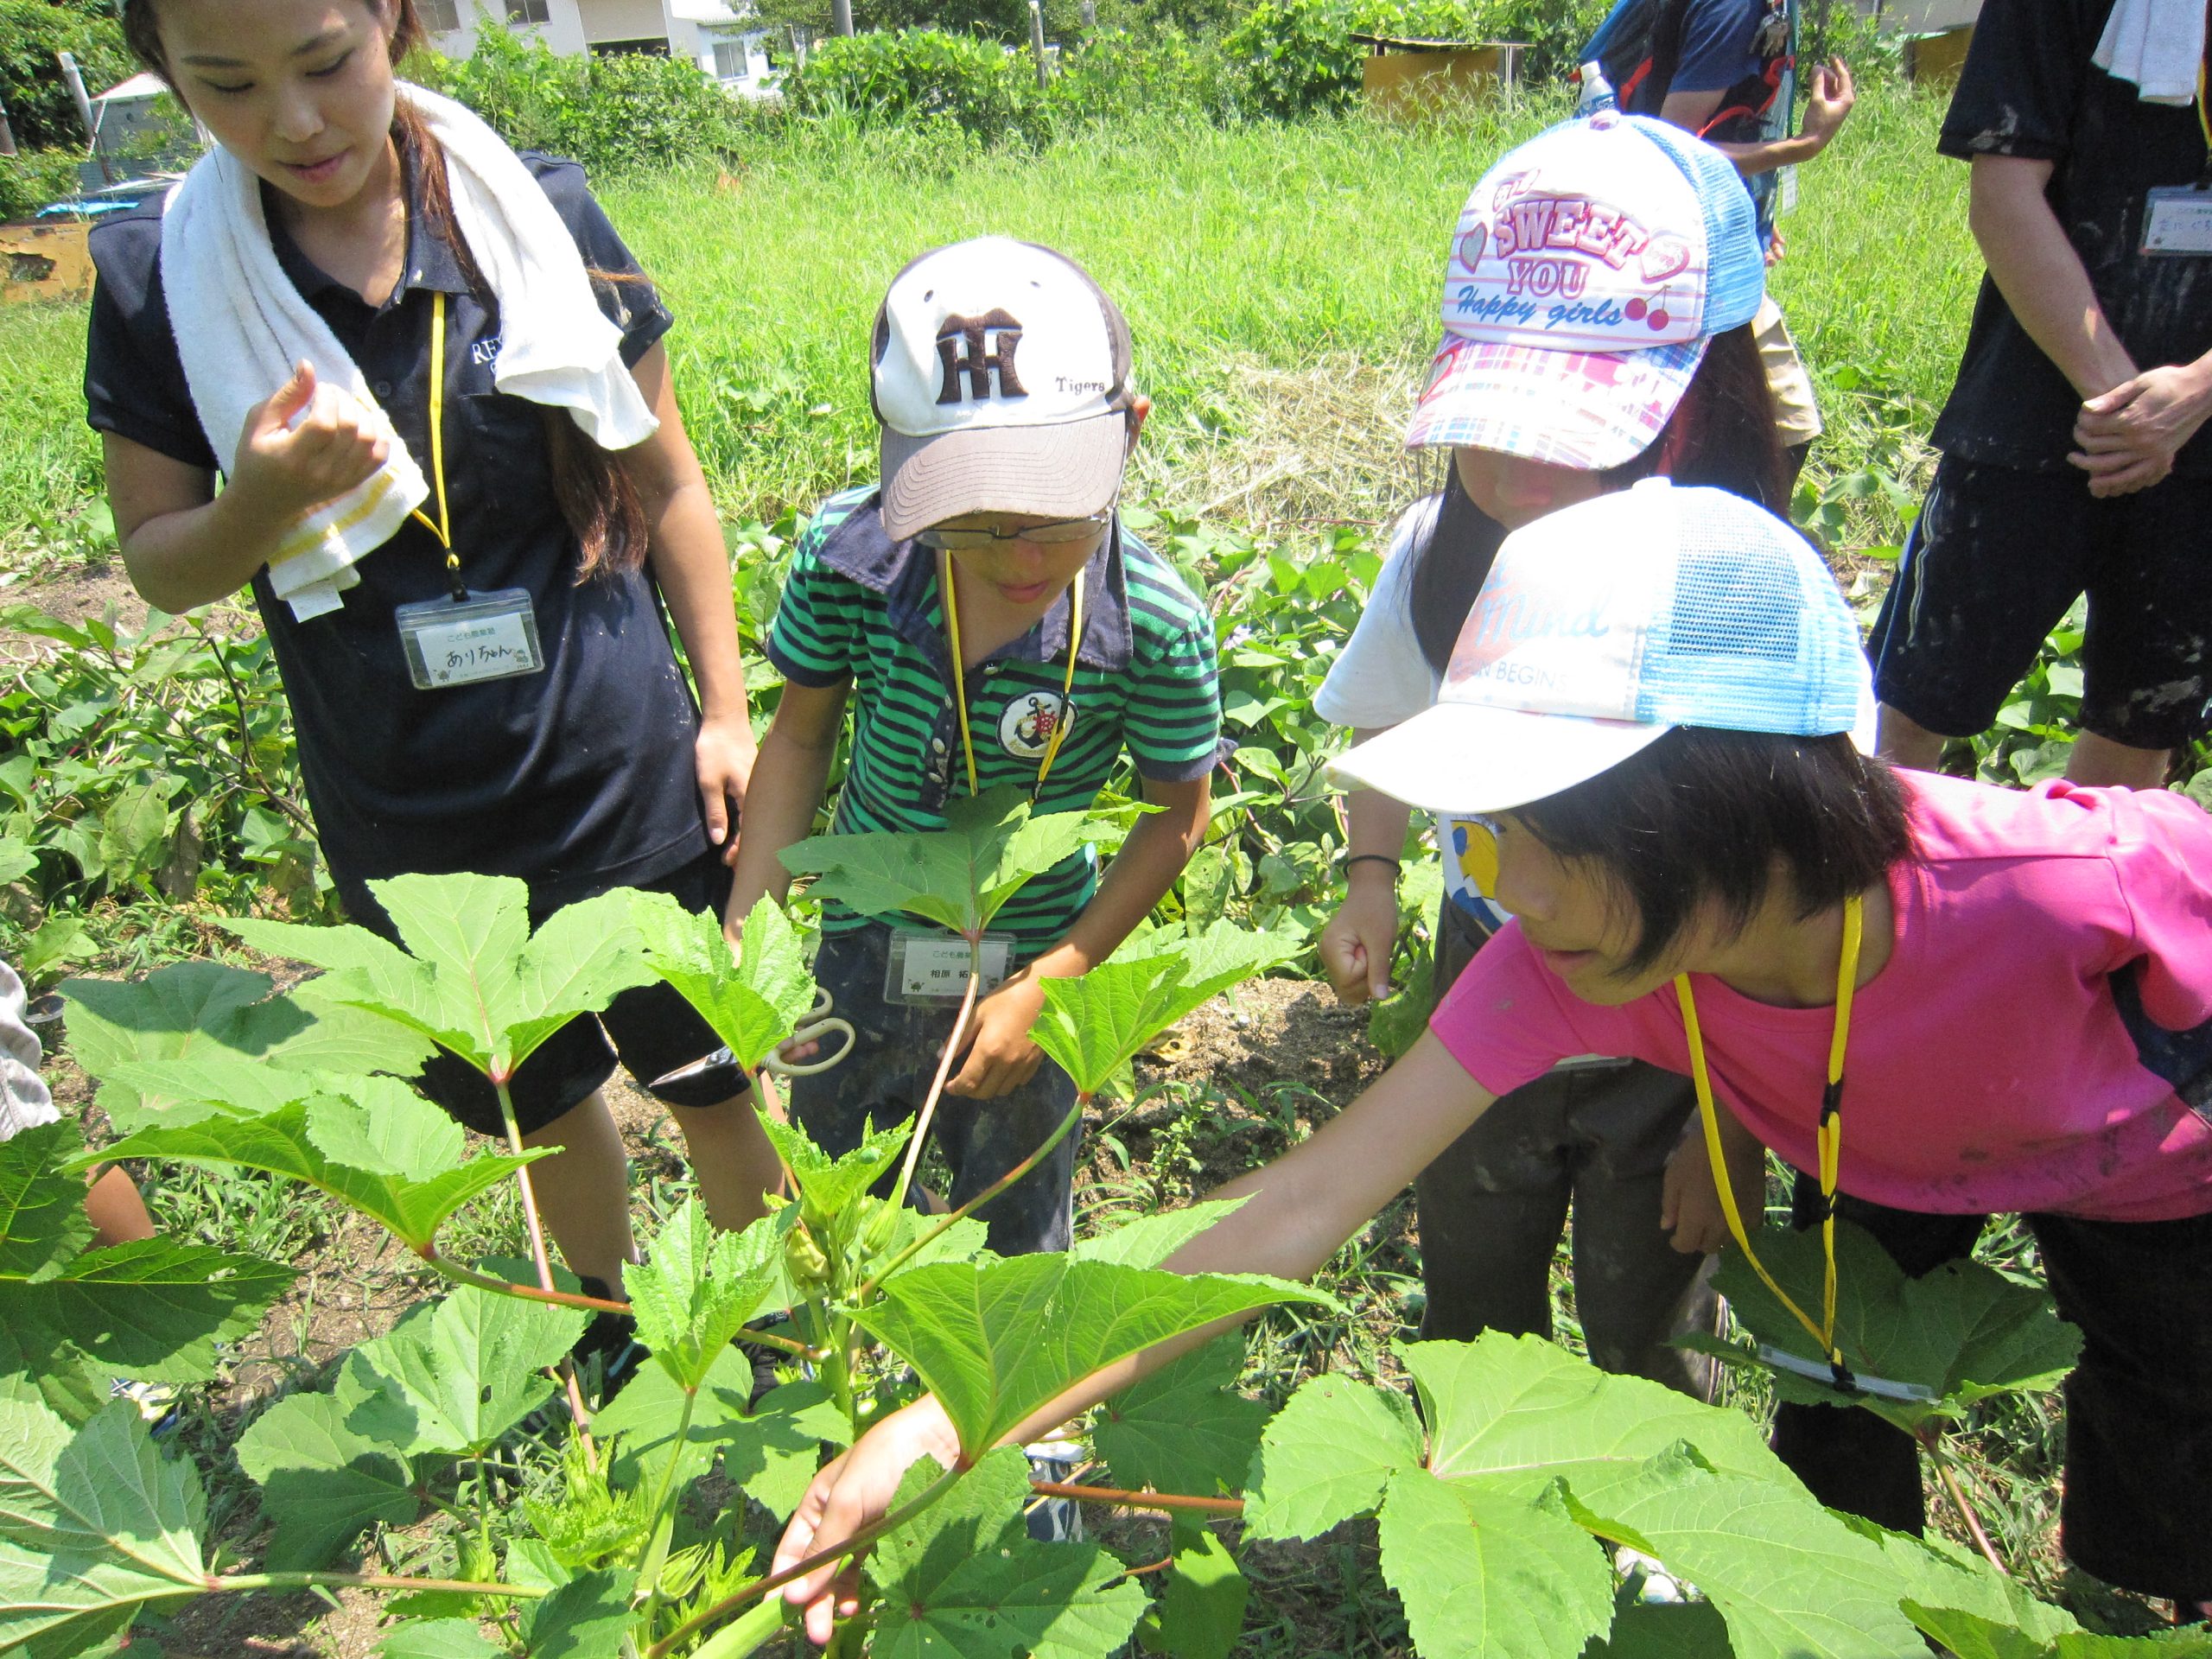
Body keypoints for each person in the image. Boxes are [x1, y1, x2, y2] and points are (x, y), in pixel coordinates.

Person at [772, 484, 2212, 1638]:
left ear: (1710, 804)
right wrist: (945, 1422)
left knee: (2181, 1422)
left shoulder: (2062, 882)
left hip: (2164, 1178)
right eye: (1475, 838)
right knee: (1846, 1423)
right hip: (1887, 1154)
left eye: (1538, 835)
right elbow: (1294, 1211)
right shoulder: (1586, 961)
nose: (1502, 893)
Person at [82, 0, 764, 1328]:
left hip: (616, 770)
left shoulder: (533, 215)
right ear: (164, 71)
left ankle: (765, 1325)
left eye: (327, 63)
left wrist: (728, 712)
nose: (292, 120)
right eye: (224, 84)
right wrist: (256, 507)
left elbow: (668, 483)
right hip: (406, 803)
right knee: (538, 1103)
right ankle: (611, 1321)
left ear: (393, 18)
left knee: (711, 1081)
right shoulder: (161, 278)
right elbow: (163, 567)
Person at [1316, 111, 1783, 1395]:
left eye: (1570, 416)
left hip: (1681, 1008)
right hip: (1491, 966)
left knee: (1654, 1290)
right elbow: (1382, 713)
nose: (1515, 457)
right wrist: (1371, 872)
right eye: (1493, 410)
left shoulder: (1742, 597)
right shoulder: (1437, 553)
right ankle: (1479, 1474)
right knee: (1472, 1259)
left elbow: (1786, 906)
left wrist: (1731, 1126)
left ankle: (1648, 1512)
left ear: (1698, 398)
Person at [723, 237, 1224, 1260]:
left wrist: (1055, 980)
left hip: (1031, 959)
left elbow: (1179, 818)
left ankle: (1008, 1412)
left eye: (1057, 515)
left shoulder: (1158, 626)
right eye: (977, 525)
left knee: (1015, 1214)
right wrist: (750, 927)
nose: (1025, 557)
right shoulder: (849, 560)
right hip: (861, 944)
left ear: (1129, 435)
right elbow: (801, 735)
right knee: (835, 1207)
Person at [1867, 0, 2212, 791]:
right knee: (1917, 714)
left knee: (2139, 737)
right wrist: (2130, 406)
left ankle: (2079, 915)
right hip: (2032, 416)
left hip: (2199, 441)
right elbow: (2002, 198)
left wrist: (2195, 391)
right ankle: (1888, 909)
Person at [1586, 0, 1859, 486]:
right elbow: (1669, 146)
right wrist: (1803, 146)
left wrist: (1751, 208)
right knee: (1774, 432)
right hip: (1682, 255)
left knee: (1773, 431)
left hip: (1689, 238)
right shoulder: (1735, 7)